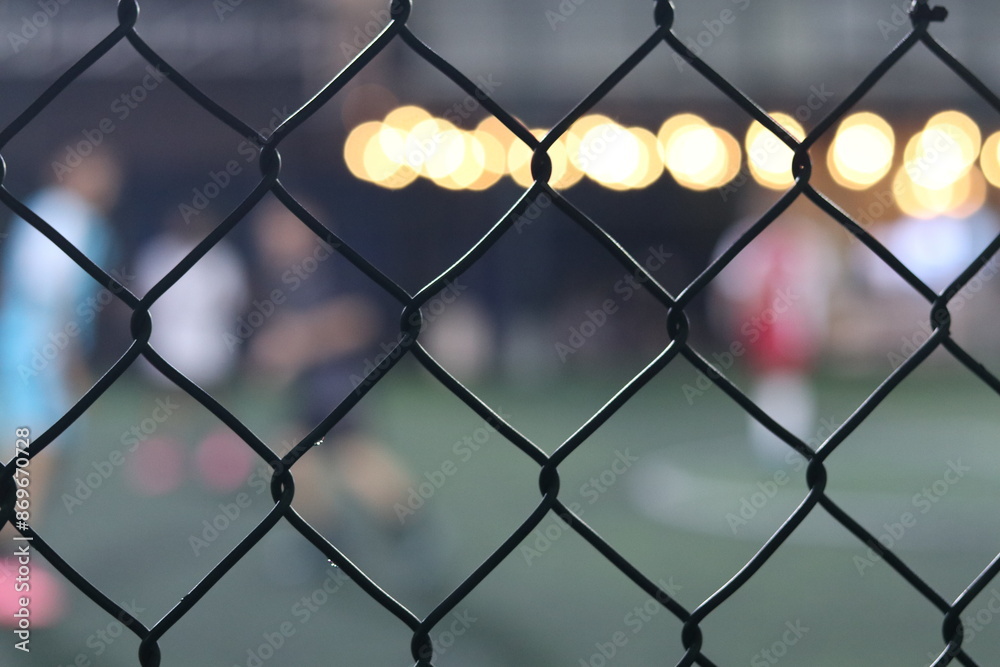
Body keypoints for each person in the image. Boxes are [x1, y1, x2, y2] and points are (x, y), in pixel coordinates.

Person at [0, 147, 124, 625]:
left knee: (34, 454)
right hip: (37, 352)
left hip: (27, 347)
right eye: (100, 168)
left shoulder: (55, 212)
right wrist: (68, 361)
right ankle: (12, 571)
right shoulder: (67, 217)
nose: (110, 178)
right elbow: (53, 294)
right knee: (36, 458)